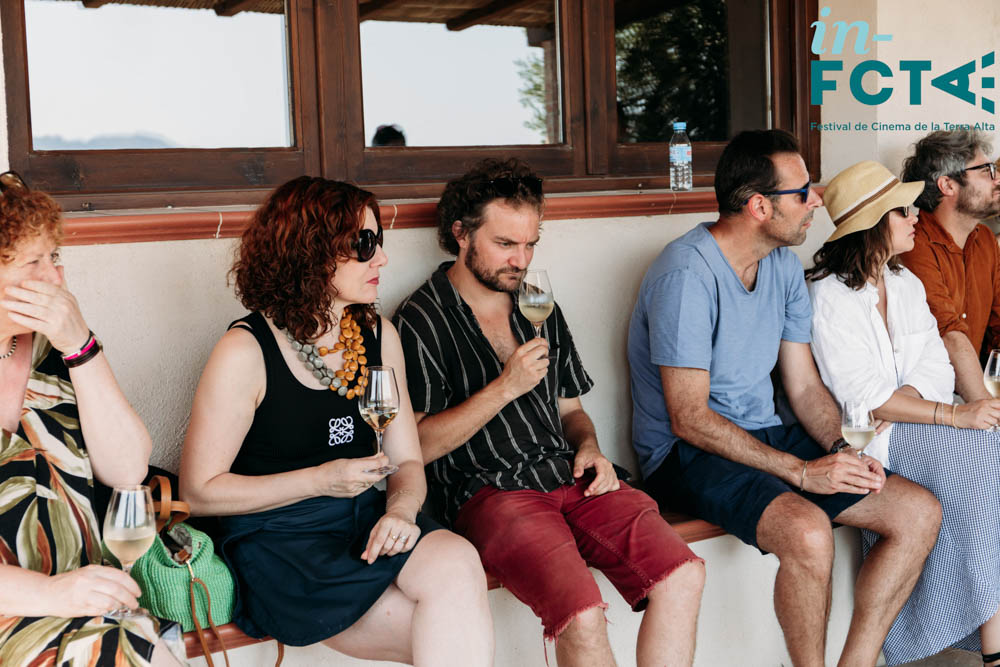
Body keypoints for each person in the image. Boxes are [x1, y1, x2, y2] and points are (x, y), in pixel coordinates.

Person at [629, 130, 941, 667]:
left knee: (916, 512)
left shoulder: (781, 265)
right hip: (686, 454)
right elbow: (688, 417)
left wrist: (842, 450)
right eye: (801, 192)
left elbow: (803, 386)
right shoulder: (685, 274)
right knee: (809, 532)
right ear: (758, 206)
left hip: (766, 433)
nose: (816, 200)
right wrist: (801, 472)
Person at [393, 158, 705, 667]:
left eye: (530, 244)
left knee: (683, 574)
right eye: (505, 244)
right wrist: (504, 388)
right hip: (491, 494)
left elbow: (571, 409)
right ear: (461, 234)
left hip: (568, 476)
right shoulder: (419, 320)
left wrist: (590, 448)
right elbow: (416, 446)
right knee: (581, 616)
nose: (520, 260)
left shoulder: (537, 302)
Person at [179, 177, 493, 666]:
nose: (381, 258)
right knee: (448, 633)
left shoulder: (377, 335)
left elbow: (407, 459)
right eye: (364, 245)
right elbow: (199, 492)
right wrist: (320, 480)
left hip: (366, 518)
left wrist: (401, 511)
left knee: (458, 561)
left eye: (378, 241)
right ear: (310, 252)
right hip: (281, 541)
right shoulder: (245, 351)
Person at [806, 159, 1000, 667]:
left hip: (911, 421)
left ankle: (992, 639)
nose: (916, 217)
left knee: (992, 452)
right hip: (875, 439)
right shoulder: (828, 297)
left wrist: (905, 398)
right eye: (902, 211)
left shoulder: (906, 283)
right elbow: (863, 399)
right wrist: (948, 415)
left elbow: (935, 367)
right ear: (873, 224)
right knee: (986, 454)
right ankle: (992, 647)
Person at [0, 172, 184, 666]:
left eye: (55, 257)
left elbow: (128, 471)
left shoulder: (54, 348)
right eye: (34, 262)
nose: (56, 278)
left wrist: (80, 346)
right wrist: (52, 594)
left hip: (84, 605)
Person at [899, 130, 1000, 402]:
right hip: (930, 401)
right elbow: (949, 335)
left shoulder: (985, 239)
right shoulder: (913, 245)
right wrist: (988, 412)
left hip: (977, 391)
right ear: (947, 185)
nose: (997, 178)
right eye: (986, 171)